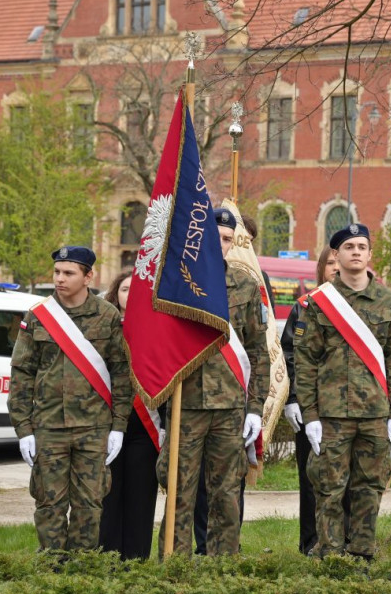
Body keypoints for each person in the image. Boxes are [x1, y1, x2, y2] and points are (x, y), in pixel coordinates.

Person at [157, 207, 269, 556]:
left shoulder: (246, 285)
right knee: (179, 492)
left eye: (225, 239)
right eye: (212, 236)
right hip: (185, 405)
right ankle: (172, 571)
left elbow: (257, 351)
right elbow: (159, 348)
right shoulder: (176, 285)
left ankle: (223, 574)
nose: (219, 244)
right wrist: (160, 409)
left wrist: (254, 408)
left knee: (225, 495)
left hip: (229, 409)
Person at [295, 223, 391, 559]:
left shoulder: (390, 302)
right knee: (329, 488)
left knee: (369, 489)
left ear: (370, 254)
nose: (356, 252)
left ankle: (362, 554)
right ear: (337, 255)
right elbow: (306, 363)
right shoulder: (318, 304)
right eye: (349, 247)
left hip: (375, 415)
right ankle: (329, 555)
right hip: (331, 416)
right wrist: (311, 415)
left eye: (361, 246)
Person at [9, 246, 133, 553]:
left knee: (88, 506)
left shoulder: (107, 317)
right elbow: (21, 375)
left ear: (88, 276)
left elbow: (121, 375)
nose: (60, 279)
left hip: (94, 429)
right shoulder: (38, 317)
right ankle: (51, 573)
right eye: (57, 272)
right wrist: (24, 429)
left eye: (69, 273)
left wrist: (118, 426)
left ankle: (82, 574)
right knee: (48, 505)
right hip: (49, 428)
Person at [281, 245, 351, 554]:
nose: (336, 268)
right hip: (312, 408)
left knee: (349, 478)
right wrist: (293, 399)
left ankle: (347, 541)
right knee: (311, 478)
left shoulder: (364, 307)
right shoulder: (304, 307)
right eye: (331, 263)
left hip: (352, 409)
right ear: (321, 268)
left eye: (341, 262)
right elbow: (289, 354)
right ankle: (311, 541)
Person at [99, 269, 163, 560]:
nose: (130, 295)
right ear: (115, 294)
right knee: (109, 495)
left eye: (136, 290)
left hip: (145, 425)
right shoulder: (103, 329)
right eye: (125, 289)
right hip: (110, 423)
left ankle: (135, 561)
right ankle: (107, 559)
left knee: (140, 497)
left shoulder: (156, 330)